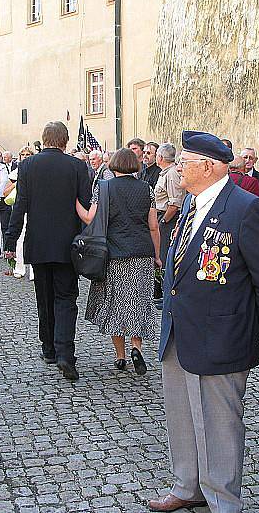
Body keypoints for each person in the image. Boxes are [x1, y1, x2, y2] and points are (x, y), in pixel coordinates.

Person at [149, 131, 259, 513]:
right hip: (178, 331)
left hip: (222, 337)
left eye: (183, 163)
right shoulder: (191, 204)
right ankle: (187, 484)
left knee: (219, 424)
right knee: (182, 415)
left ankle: (223, 501)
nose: (177, 169)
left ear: (207, 167)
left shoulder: (245, 208)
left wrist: (245, 330)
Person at [4, 121, 91, 381]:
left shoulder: (28, 165)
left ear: (44, 139)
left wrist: (10, 242)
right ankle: (66, 352)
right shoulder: (77, 166)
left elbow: (20, 206)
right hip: (68, 245)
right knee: (66, 298)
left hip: (38, 242)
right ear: (65, 141)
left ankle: (49, 349)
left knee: (44, 298)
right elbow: (85, 206)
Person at [78, 148, 161, 374]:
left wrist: (74, 201)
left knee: (116, 304)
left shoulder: (103, 188)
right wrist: (156, 255)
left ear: (113, 165)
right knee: (138, 303)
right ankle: (137, 347)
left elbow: (89, 217)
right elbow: (153, 226)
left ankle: (120, 356)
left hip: (114, 255)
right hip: (142, 253)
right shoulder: (147, 189)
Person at [153, 143, 186, 309]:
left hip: (168, 218)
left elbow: (175, 203)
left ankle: (166, 295)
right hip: (162, 216)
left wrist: (163, 221)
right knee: (161, 255)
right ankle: (161, 293)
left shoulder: (172, 173)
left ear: (160, 157)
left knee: (165, 256)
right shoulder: (165, 173)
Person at [4, 146, 35, 280]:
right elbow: (5, 192)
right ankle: (19, 267)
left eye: (28, 154)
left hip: (34, 208)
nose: (26, 156)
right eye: (23, 154)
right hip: (19, 208)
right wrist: (18, 183)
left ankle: (34, 270)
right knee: (20, 238)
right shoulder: (16, 172)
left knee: (34, 237)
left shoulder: (36, 169)